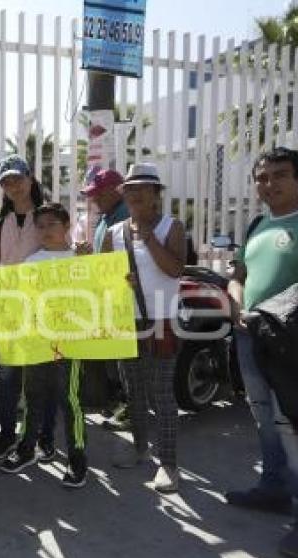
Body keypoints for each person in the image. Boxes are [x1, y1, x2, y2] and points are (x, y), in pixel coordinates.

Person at [225, 147, 298, 558]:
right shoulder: (257, 224)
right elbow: (239, 276)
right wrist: (236, 307)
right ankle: (274, 489)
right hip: (251, 333)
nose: (270, 183)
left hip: (296, 338)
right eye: (262, 177)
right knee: (262, 414)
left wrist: (293, 319)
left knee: (294, 425)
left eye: (280, 175)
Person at [101, 163, 186, 494]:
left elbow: (176, 269)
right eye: (129, 188)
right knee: (133, 390)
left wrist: (148, 239)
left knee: (162, 393)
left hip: (163, 320)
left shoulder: (171, 227)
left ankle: (169, 465)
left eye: (142, 188)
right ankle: (140, 448)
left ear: (156, 194)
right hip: (127, 321)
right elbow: (105, 278)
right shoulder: (115, 232)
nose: (134, 194)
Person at [0, 203, 88, 488]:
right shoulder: (31, 263)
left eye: (52, 224)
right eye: (40, 226)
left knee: (69, 400)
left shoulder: (83, 259)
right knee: (33, 396)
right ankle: (27, 450)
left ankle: (77, 458)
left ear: (66, 225)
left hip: (72, 344)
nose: (46, 230)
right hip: (37, 343)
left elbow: (100, 292)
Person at [0, 154, 48, 461]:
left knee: (38, 378)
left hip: (42, 310)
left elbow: (62, 253)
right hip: (8, 310)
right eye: (6, 181)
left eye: (17, 179)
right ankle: (8, 435)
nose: (13, 186)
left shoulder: (47, 216)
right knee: (6, 377)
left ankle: (39, 436)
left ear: (30, 179)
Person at [78, 169, 132, 431]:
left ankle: (132, 408)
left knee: (124, 358)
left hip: (122, 297)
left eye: (98, 193)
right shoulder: (105, 218)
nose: (94, 199)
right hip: (108, 296)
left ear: (115, 190)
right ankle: (122, 401)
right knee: (115, 357)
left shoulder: (124, 217)